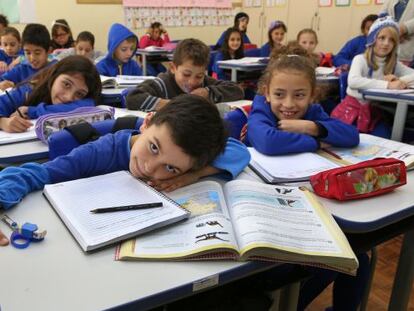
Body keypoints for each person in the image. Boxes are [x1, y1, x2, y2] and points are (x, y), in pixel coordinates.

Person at [0, 94, 251, 245]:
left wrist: (194, 174)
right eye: (153, 147)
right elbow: (31, 173)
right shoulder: (101, 152)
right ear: (147, 123)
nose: (149, 168)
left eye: (171, 168)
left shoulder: (188, 163)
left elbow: (240, 151)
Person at [246, 49, 359, 155]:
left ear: (312, 95)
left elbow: (353, 136)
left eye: (299, 95)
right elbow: (268, 142)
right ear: (267, 94)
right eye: (279, 94)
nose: (288, 104)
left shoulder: (312, 110)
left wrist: (312, 128)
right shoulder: (261, 109)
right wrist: (316, 143)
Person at [331, 16, 414, 138]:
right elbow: (353, 81)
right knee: (349, 140)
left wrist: (400, 80)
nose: (386, 43)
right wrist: (387, 85)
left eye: (391, 40)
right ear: (372, 39)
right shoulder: (360, 59)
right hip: (351, 112)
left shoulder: (393, 63)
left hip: (374, 114)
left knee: (385, 139)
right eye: (382, 38)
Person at [125, 38, 244, 111]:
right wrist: (173, 105)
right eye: (186, 74)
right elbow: (132, 98)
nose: (192, 82)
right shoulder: (162, 83)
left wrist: (208, 93)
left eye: (199, 76)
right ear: (173, 68)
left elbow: (237, 90)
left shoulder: (204, 83)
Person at [0, 55, 101, 133]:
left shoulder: (86, 100)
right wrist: (3, 122)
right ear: (54, 76)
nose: (68, 97)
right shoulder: (27, 91)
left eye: (79, 94)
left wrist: (32, 111)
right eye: (66, 84)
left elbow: (87, 107)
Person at [0, 23, 55, 91]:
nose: (32, 58)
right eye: (28, 53)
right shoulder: (22, 68)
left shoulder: (55, 70)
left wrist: (17, 87)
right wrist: (3, 84)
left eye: (37, 53)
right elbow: (2, 79)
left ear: (49, 51)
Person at [381, 0, 414, 66]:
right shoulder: (389, 2)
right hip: (392, 42)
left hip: (409, 43)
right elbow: (381, 17)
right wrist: (394, 32)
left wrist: (404, 28)